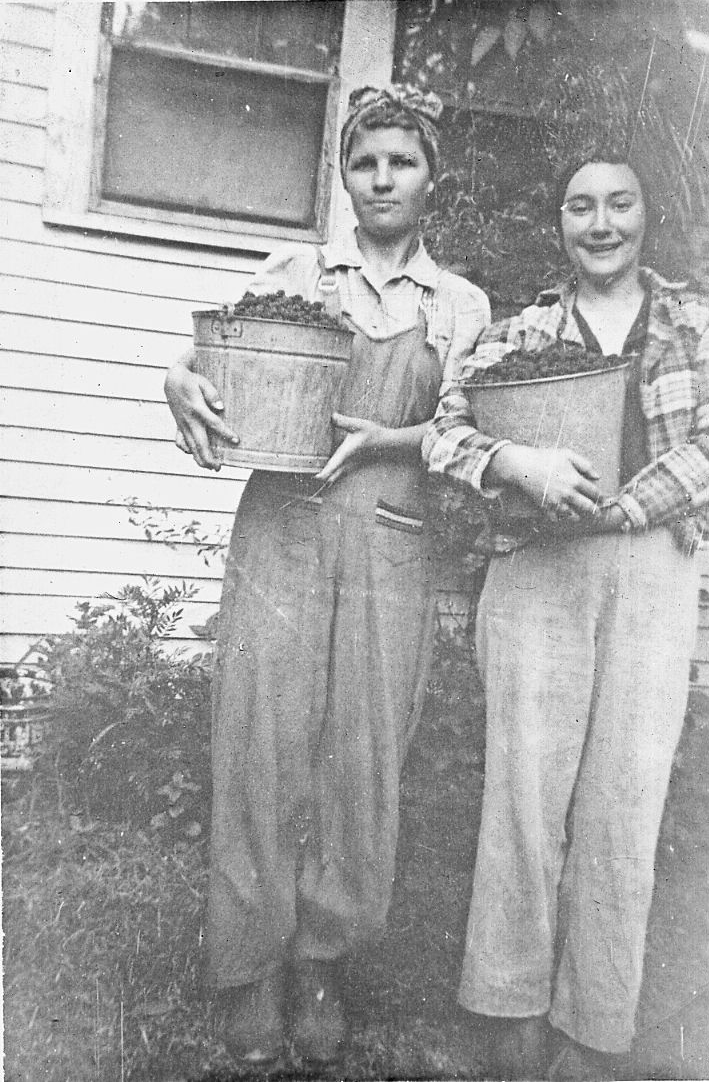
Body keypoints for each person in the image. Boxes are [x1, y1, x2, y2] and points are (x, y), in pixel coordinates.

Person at [164, 84, 491, 1066]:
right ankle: (252, 963)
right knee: (259, 739)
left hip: (389, 537)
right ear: (343, 176)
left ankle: (322, 958)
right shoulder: (296, 271)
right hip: (283, 525)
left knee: (363, 757)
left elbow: (473, 434)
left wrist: (398, 436)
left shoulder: (460, 305)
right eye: (364, 162)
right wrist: (178, 378)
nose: (381, 178)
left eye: (400, 161)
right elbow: (217, 363)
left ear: (432, 178)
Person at [423, 151, 709, 1080]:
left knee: (623, 802)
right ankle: (506, 1008)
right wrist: (519, 465)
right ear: (558, 222)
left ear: (644, 217)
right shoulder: (522, 332)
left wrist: (630, 506)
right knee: (522, 793)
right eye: (581, 206)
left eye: (619, 205)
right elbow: (444, 429)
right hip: (535, 573)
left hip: (648, 570)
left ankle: (594, 1026)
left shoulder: (700, 325)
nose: (600, 224)